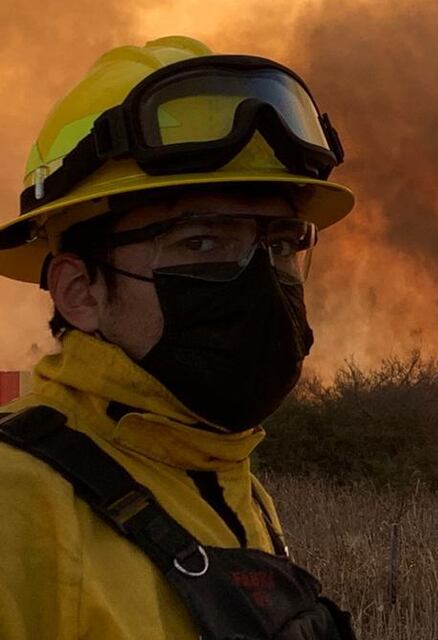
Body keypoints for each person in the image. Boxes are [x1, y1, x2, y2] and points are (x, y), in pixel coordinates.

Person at [0, 36, 357, 639]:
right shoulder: (16, 506)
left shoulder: (228, 479)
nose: (259, 283)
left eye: (278, 245)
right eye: (200, 242)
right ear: (80, 291)